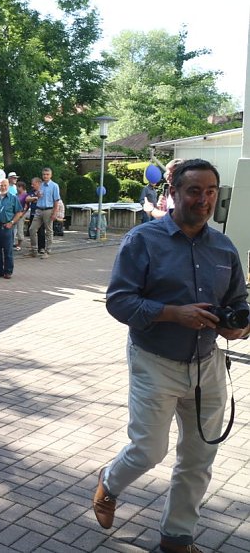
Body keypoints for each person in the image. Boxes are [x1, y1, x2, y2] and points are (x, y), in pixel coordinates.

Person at [95, 159, 249, 553]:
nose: (204, 199)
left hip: (208, 363)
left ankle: (176, 537)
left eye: (211, 191)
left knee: (199, 457)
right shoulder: (143, 240)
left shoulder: (224, 247)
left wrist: (239, 326)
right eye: (194, 191)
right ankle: (110, 481)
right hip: (155, 359)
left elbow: (238, 302)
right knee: (150, 450)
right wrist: (170, 313)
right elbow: (119, 301)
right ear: (173, 194)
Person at [0, 178, 24, 279]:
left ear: (8, 186)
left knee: (8, 251)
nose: (3, 187)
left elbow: (19, 212)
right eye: (1, 185)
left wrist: (12, 222)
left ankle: (8, 272)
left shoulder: (13, 198)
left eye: (5, 185)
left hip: (7, 228)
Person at [28, 167, 61, 258]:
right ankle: (34, 250)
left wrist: (55, 212)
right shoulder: (40, 185)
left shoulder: (54, 186)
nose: (45, 176)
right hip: (39, 209)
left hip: (48, 210)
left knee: (48, 231)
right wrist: (37, 195)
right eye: (44, 174)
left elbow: (56, 201)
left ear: (51, 175)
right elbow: (36, 197)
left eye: (47, 174)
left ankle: (48, 251)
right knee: (32, 229)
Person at [14, 180, 29, 251]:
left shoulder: (25, 195)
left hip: (21, 213)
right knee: (12, 228)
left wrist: (23, 214)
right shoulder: (16, 195)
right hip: (14, 213)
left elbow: (27, 206)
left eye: (18, 187)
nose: (16, 188)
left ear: (22, 187)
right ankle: (12, 242)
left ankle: (19, 244)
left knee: (20, 228)